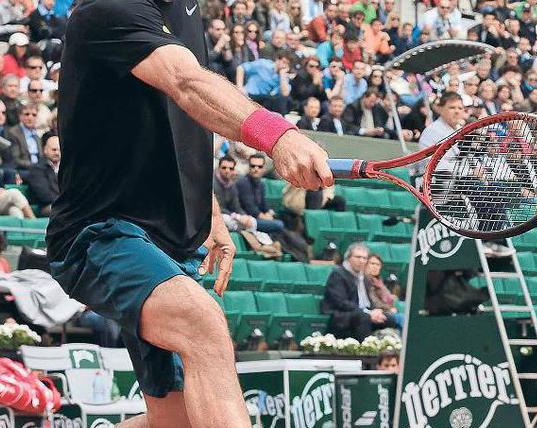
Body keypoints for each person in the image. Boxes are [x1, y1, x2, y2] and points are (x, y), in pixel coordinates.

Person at [47, 0, 332, 424]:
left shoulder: (184, 9)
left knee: (173, 422)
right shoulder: (106, 9)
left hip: (170, 237)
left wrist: (210, 210)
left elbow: (183, 117)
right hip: (100, 232)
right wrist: (278, 136)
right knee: (202, 325)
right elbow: (186, 82)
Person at [321, 243, 397, 341]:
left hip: (360, 313)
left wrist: (375, 312)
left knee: (389, 319)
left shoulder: (364, 278)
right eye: (358, 257)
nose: (361, 261)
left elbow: (368, 301)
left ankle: (386, 351)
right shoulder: (338, 274)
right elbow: (341, 302)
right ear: (348, 258)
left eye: (364, 258)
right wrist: (367, 313)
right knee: (363, 317)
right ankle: (365, 351)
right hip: (341, 315)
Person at [234, 154, 286, 234]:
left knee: (282, 220)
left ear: (264, 168)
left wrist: (268, 212)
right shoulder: (243, 183)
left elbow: (264, 205)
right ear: (249, 167)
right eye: (253, 166)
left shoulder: (261, 184)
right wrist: (265, 217)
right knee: (279, 225)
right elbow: (250, 208)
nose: (256, 169)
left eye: (259, 167)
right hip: (248, 219)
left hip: (257, 217)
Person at [26, 133, 61, 217]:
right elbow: (44, 195)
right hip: (47, 207)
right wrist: (65, 201)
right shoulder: (37, 169)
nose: (57, 153)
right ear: (45, 150)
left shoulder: (66, 168)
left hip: (64, 204)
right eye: (54, 149)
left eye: (59, 150)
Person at [364, 253, 402, 329]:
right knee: (402, 318)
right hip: (375, 313)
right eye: (372, 263)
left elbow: (390, 300)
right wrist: (389, 309)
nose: (375, 267)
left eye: (378, 265)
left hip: (386, 311)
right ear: (366, 265)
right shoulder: (365, 281)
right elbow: (374, 302)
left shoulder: (379, 283)